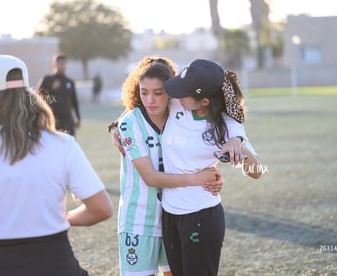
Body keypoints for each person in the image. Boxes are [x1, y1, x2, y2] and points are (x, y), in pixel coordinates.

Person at [0, 54, 113, 276]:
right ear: (27, 95)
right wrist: (65, 218)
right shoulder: (63, 145)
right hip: (55, 263)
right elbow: (101, 208)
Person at [112, 56, 223, 276]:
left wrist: (214, 172)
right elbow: (150, 178)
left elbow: (214, 125)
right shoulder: (130, 123)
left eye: (158, 93)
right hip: (139, 221)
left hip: (172, 219)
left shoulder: (179, 110)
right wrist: (197, 178)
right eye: (144, 92)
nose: (150, 100)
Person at [160, 59, 262, 276]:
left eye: (184, 93)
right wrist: (114, 127)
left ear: (204, 101)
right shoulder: (176, 103)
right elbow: (140, 106)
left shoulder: (227, 127)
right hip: (169, 214)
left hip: (201, 216)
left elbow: (257, 172)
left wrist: (240, 144)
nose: (177, 96)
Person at [37, 53, 81, 136]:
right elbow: (37, 98)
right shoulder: (47, 79)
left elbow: (74, 101)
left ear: (66, 65)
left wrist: (78, 118)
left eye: (63, 63)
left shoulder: (70, 82)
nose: (61, 65)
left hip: (68, 120)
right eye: (59, 63)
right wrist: (51, 90)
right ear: (54, 64)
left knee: (70, 145)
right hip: (51, 120)